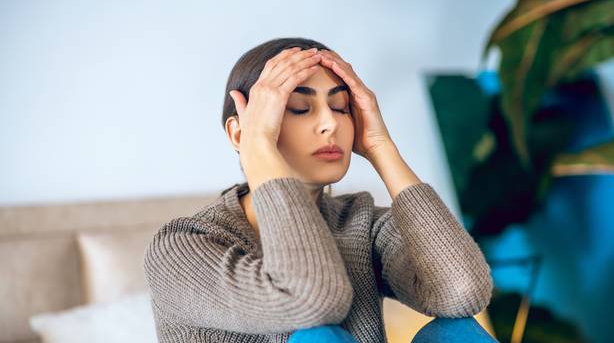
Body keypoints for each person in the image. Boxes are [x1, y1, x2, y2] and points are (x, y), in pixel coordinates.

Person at [143, 37, 498, 342]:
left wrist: (381, 146)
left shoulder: (360, 224)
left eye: (340, 107)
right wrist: (259, 150)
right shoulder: (181, 248)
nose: (329, 123)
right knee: (318, 337)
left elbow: (461, 293)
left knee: (456, 332)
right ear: (240, 133)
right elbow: (313, 301)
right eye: (299, 108)